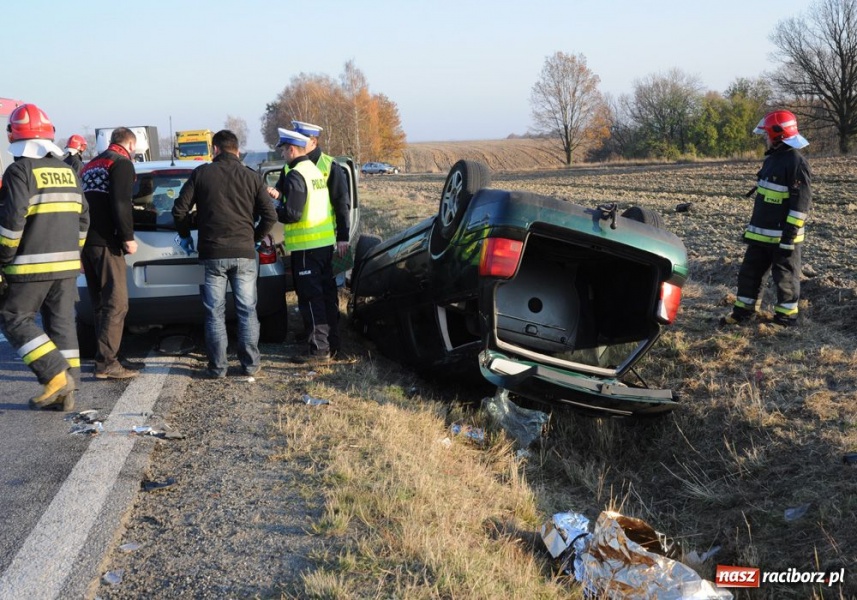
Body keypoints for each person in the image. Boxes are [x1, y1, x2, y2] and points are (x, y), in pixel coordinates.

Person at [0, 103, 89, 410]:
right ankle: (68, 388)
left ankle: (55, 376)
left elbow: (12, 223)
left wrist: (2, 259)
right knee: (62, 324)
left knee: (14, 317)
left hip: (29, 266)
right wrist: (72, 253)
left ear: (14, 136)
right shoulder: (68, 171)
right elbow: (83, 220)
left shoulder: (19, 171)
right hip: (66, 267)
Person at [172, 129, 277, 378]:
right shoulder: (252, 177)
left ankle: (218, 368)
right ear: (237, 150)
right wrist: (254, 238)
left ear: (215, 149)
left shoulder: (201, 174)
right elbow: (270, 215)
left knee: (214, 312)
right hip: (244, 253)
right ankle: (250, 365)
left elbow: (179, 211)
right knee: (247, 310)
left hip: (213, 253)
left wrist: (186, 235)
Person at [722, 109, 812, 328]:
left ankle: (785, 319)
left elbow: (800, 204)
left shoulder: (796, 162)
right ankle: (743, 313)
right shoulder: (773, 158)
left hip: (783, 235)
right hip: (760, 233)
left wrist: (789, 236)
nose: (765, 137)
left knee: (785, 278)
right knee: (749, 274)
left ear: (778, 134)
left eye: (767, 134)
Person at [269, 121, 350, 356]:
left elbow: (338, 205)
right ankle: (327, 343)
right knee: (323, 295)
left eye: (284, 149)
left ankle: (320, 350)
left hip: (310, 245)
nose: (283, 153)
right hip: (321, 243)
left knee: (313, 299)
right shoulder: (312, 170)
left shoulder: (320, 167)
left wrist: (274, 208)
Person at [80, 127, 142, 379]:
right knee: (116, 303)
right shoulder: (122, 164)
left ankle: (107, 356)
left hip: (88, 242)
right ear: (130, 144)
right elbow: (121, 202)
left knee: (101, 305)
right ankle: (107, 363)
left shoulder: (91, 164)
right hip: (107, 242)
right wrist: (127, 237)